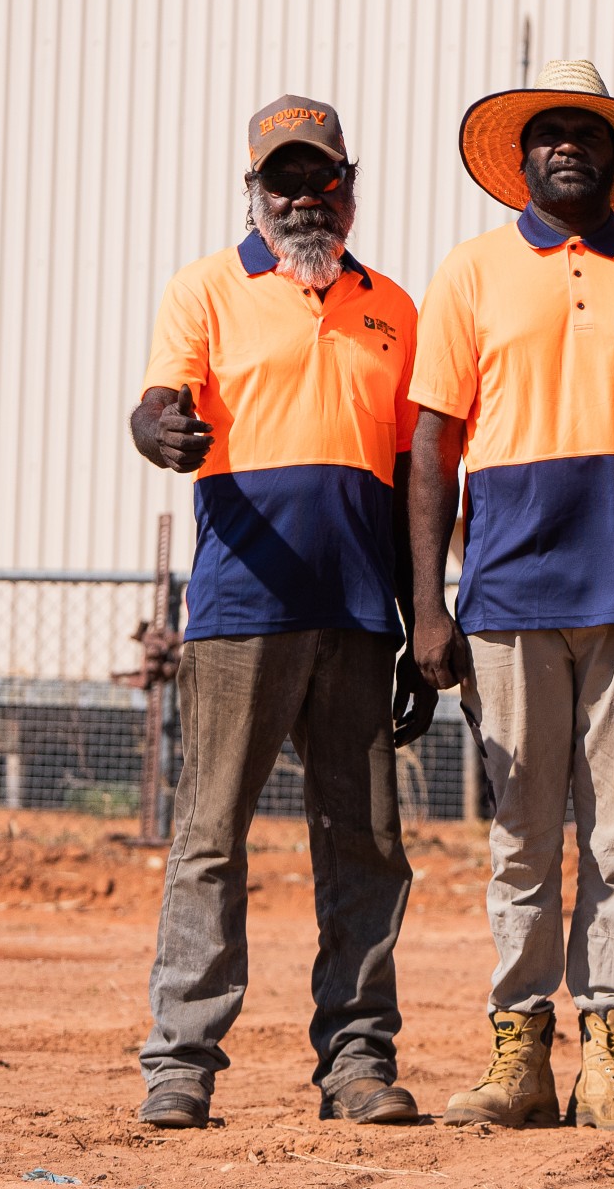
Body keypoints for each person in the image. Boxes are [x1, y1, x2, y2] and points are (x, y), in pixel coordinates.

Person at [409, 60, 614, 1133]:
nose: (568, 148)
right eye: (548, 133)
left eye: (586, 135)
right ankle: (520, 1053)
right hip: (504, 596)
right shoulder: (469, 273)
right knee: (518, 827)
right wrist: (429, 603)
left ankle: (612, 1053)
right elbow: (431, 449)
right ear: (522, 155)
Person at [130, 96, 431, 1130]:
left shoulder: (395, 306)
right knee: (212, 835)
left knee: (365, 844)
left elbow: (407, 477)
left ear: (351, 183)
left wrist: (419, 619)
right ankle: (180, 1061)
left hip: (358, 615)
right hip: (240, 610)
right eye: (284, 179)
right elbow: (162, 402)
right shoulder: (206, 288)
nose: (305, 197)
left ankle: (358, 1059)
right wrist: (155, 428)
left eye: (323, 178)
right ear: (252, 189)